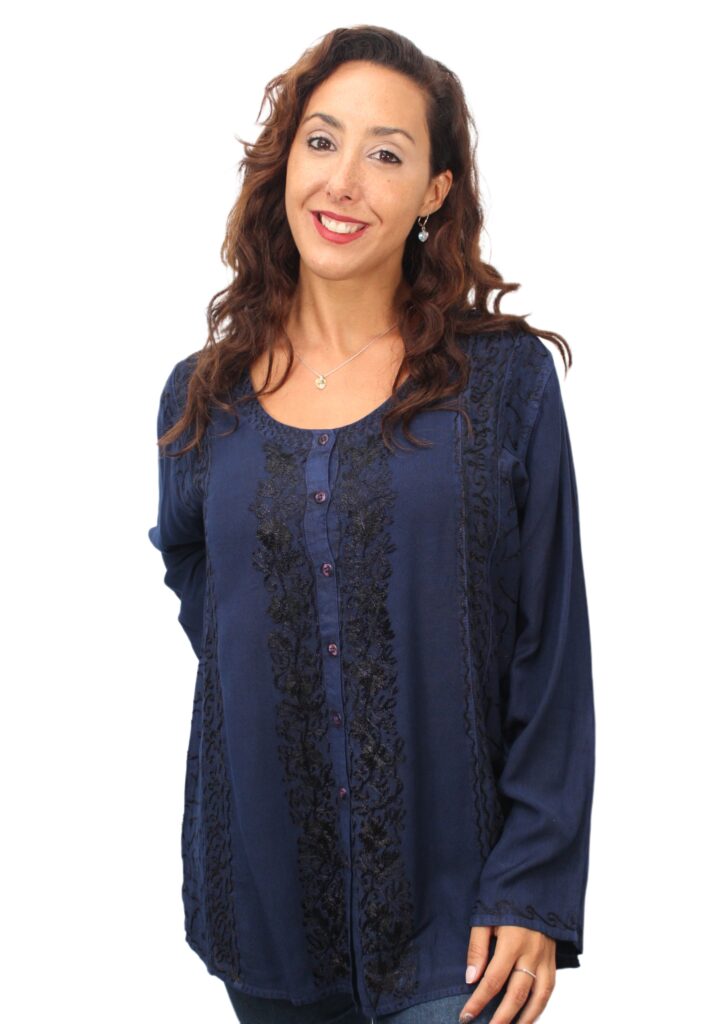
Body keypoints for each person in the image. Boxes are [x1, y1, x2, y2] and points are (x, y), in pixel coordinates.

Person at [147, 24, 595, 1024]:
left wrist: (531, 884)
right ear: (285, 161)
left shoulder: (503, 384)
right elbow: (200, 578)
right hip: (264, 919)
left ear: (434, 191)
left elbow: (551, 645)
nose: (343, 181)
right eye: (322, 141)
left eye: (385, 155)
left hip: (460, 925)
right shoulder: (203, 399)